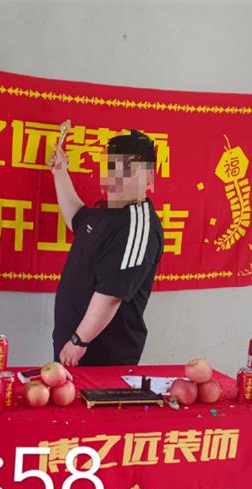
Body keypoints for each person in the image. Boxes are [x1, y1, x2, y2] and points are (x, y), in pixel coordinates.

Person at [49, 129, 164, 367]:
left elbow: (112, 294)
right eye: (113, 168)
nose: (117, 177)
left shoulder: (138, 224)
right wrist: (60, 172)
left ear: (148, 177)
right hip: (73, 349)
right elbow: (75, 217)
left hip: (101, 355)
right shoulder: (106, 212)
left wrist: (80, 340)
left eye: (128, 170)